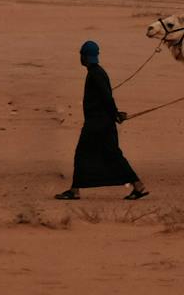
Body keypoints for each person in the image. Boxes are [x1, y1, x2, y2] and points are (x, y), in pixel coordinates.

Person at [53, 40, 148, 201]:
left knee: (82, 155)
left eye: (81, 55)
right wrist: (115, 115)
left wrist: (115, 113)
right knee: (113, 155)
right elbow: (106, 97)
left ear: (84, 57)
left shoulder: (95, 74)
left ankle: (75, 190)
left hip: (96, 124)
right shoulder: (98, 72)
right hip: (103, 123)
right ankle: (137, 185)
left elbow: (106, 97)